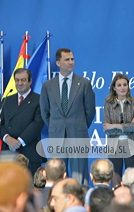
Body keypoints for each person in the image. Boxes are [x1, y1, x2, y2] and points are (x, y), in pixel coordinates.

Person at [40, 48, 96, 185]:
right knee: (56, 173)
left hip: (78, 135)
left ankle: (80, 203)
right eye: (67, 59)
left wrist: (79, 126)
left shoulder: (84, 83)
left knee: (79, 176)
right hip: (57, 135)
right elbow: (45, 112)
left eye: (72, 59)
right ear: (58, 63)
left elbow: (90, 112)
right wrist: (57, 126)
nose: (71, 62)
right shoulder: (48, 86)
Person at [0, 68, 45, 175]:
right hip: (9, 151)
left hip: (29, 151)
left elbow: (37, 123)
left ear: (30, 82)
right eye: (17, 80)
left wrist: (19, 141)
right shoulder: (6, 99)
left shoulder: (39, 99)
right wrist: (7, 138)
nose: (20, 83)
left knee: (30, 188)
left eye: (23, 80)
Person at [103, 73, 134, 180]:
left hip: (132, 144)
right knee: (115, 179)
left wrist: (115, 125)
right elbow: (108, 130)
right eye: (119, 85)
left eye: (125, 85)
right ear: (114, 88)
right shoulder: (108, 104)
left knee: (132, 179)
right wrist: (128, 125)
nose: (122, 88)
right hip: (114, 146)